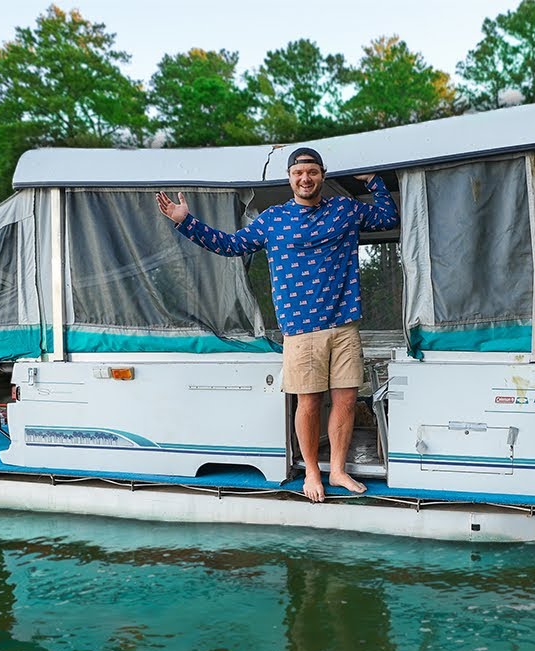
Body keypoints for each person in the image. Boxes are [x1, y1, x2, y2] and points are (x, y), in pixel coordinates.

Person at [156, 147, 399, 502]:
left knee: (347, 400)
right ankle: (312, 472)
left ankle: (339, 470)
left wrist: (374, 180)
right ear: (290, 178)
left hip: (344, 324)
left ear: (322, 175)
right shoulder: (273, 220)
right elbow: (231, 245)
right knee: (309, 403)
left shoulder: (345, 210)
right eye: (299, 173)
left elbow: (388, 217)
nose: (305, 178)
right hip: (300, 330)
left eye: (312, 172)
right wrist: (185, 221)